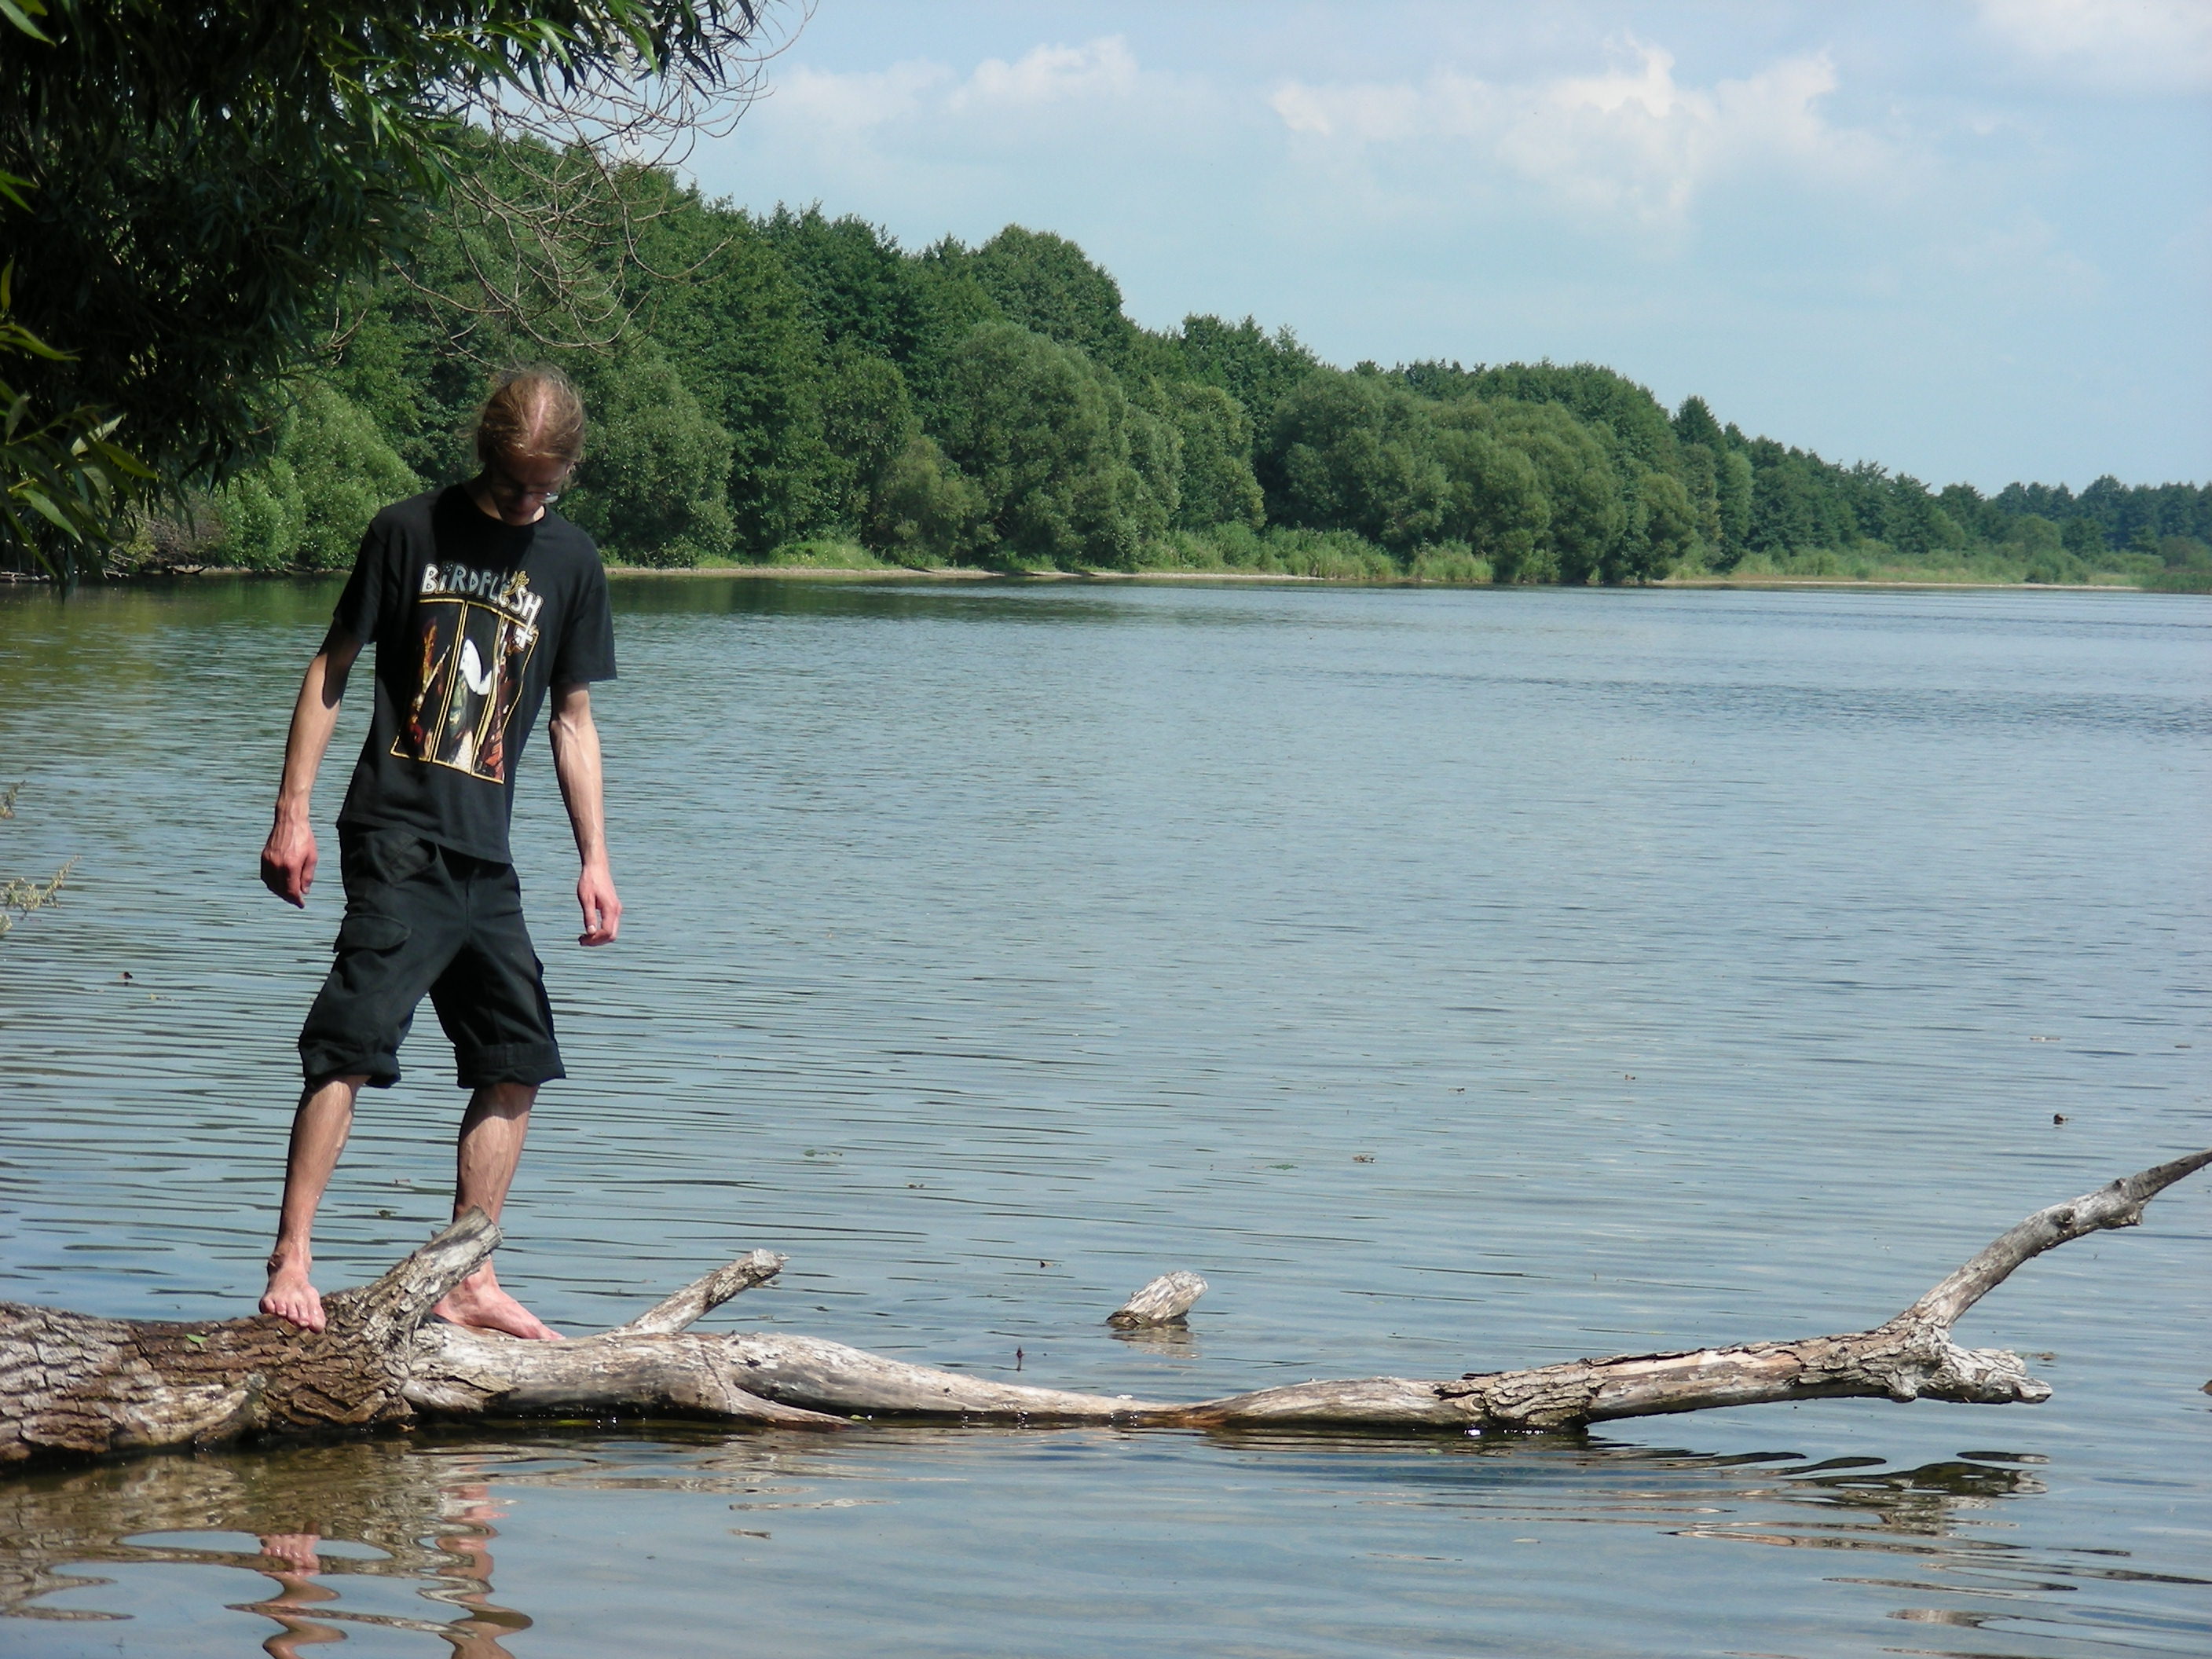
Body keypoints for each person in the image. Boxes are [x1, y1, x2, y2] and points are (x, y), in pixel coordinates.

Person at [257, 365, 621, 1341]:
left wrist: (594, 859)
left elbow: (573, 720)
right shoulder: (406, 531)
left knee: (516, 1057)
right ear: (484, 454)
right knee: (351, 1041)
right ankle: (292, 1257)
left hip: (484, 857)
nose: (527, 500)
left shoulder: (572, 562)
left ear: (568, 470)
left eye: (545, 485)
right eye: (511, 482)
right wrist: (291, 814)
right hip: (395, 835)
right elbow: (331, 669)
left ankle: (469, 1273)